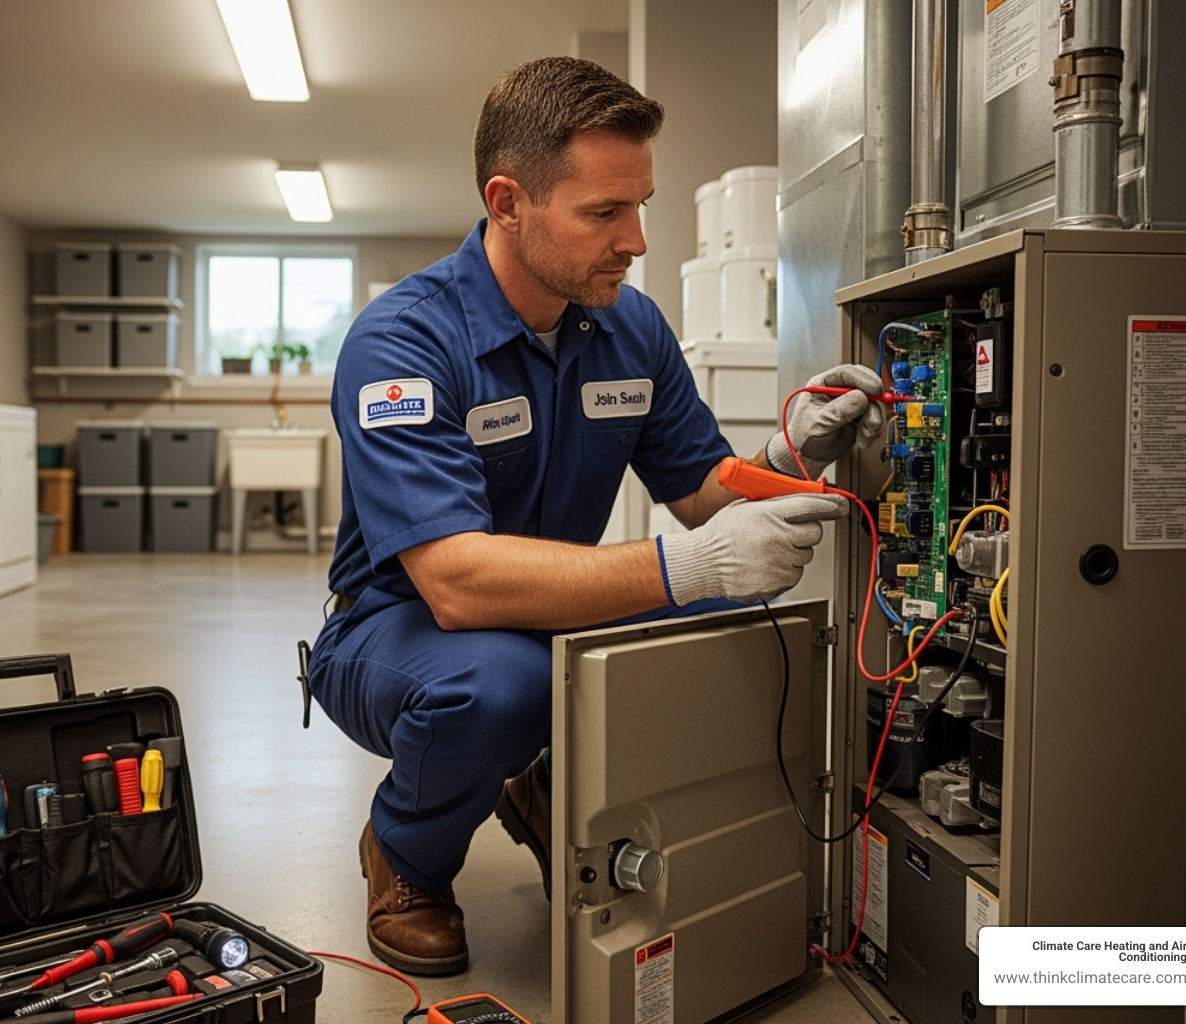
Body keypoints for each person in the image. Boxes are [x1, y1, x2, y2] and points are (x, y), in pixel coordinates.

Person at [306, 56, 884, 976]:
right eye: (605, 213)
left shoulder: (631, 328)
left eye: (640, 204)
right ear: (508, 202)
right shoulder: (405, 341)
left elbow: (701, 487)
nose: (638, 239)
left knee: (739, 625)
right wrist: (682, 567)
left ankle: (546, 785)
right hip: (400, 628)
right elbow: (453, 582)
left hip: (553, 611)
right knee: (498, 685)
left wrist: (789, 458)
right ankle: (406, 855)